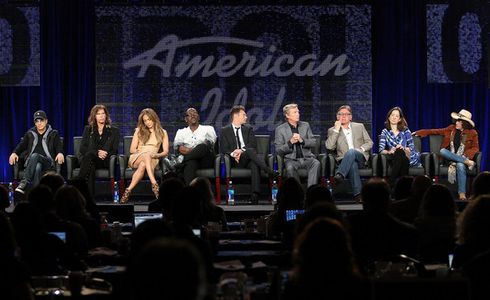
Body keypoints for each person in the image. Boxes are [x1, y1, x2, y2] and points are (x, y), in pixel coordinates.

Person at [414, 109, 479, 201]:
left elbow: (475, 148)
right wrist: (420, 132)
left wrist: (466, 155)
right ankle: (467, 162)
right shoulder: (451, 128)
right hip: (449, 158)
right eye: (457, 120)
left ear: (464, 123)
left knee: (460, 165)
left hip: (463, 157)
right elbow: (435, 131)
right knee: (443, 151)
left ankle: (462, 194)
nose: (457, 122)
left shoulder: (472, 133)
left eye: (459, 121)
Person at [220, 105, 275, 204]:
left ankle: (255, 195)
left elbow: (253, 145)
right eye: (244, 115)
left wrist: (240, 151)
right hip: (233, 161)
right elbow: (224, 149)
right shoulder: (225, 130)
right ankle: (267, 170)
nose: (246, 117)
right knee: (252, 156)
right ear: (236, 116)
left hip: (246, 158)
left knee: (253, 159)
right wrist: (234, 153)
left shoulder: (248, 128)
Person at [9, 110, 64, 194]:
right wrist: (14, 153)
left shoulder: (53, 133)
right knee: (37, 166)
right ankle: (38, 194)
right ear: (35, 123)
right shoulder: (30, 133)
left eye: (41, 120)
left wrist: (60, 153)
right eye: (37, 121)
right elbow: (21, 145)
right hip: (32, 163)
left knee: (35, 156)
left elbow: (58, 146)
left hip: (47, 162)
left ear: (46, 121)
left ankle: (25, 182)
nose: (39, 123)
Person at [121, 108, 169, 203]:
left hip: (153, 159)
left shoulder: (163, 132)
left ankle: (128, 190)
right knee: (146, 156)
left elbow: (165, 151)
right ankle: (154, 183)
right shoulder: (139, 131)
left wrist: (156, 155)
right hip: (137, 157)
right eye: (145, 120)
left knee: (143, 165)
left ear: (154, 118)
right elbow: (132, 149)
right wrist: (143, 152)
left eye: (149, 119)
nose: (147, 122)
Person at [326, 105, 373, 202]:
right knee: (353, 164)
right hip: (345, 160)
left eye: (346, 114)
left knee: (352, 152)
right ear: (337, 117)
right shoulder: (332, 130)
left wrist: (360, 149)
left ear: (350, 117)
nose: (343, 116)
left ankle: (340, 174)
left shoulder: (359, 126)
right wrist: (336, 130)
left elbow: (369, 142)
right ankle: (358, 195)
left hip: (360, 157)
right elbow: (330, 147)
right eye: (340, 114)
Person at [77, 104, 119, 196]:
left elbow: (114, 150)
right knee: (90, 165)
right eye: (98, 114)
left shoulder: (114, 131)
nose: (101, 116)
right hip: (91, 160)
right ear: (94, 116)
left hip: (105, 160)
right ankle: (90, 198)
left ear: (106, 115)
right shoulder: (88, 130)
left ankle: (78, 187)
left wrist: (103, 154)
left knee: (89, 156)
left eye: (103, 113)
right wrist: (97, 152)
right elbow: (82, 148)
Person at [274, 103, 320, 187]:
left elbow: (313, 142)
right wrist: (290, 142)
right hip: (291, 160)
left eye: (298, 112)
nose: (298, 114)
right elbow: (278, 150)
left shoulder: (305, 125)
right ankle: (298, 193)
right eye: (294, 112)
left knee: (316, 163)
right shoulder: (280, 129)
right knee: (290, 168)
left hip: (307, 158)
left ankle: (311, 191)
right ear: (287, 115)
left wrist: (302, 140)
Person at [173, 108, 217, 185]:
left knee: (202, 146)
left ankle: (180, 163)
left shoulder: (208, 129)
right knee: (190, 164)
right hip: (192, 161)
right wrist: (194, 151)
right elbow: (180, 148)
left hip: (206, 160)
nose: (192, 115)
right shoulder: (181, 132)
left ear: (198, 117)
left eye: (194, 113)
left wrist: (190, 150)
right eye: (189, 114)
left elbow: (209, 145)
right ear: (186, 119)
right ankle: (191, 194)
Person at [379, 107, 420, 184]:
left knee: (400, 151)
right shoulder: (385, 131)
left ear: (400, 119)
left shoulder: (405, 130)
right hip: (394, 158)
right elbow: (381, 150)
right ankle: (404, 188)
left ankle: (391, 182)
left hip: (408, 156)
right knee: (399, 154)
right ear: (389, 117)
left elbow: (411, 147)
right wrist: (389, 151)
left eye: (397, 116)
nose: (394, 117)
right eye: (392, 115)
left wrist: (403, 148)